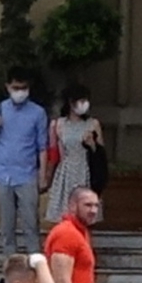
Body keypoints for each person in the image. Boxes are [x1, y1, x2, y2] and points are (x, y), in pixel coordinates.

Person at [0, 74, 51, 257]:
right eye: (16, 87)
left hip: (27, 174)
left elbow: (42, 147)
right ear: (8, 87)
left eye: (23, 87)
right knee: (6, 225)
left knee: (31, 223)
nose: (20, 92)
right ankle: (10, 265)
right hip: (2, 173)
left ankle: (35, 264)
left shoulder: (37, 112)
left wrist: (42, 176)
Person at [46, 87, 101, 225]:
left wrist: (92, 144)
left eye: (86, 100)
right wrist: (47, 177)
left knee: (85, 213)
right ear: (71, 103)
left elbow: (101, 154)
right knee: (65, 216)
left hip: (85, 170)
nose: (85, 104)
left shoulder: (93, 124)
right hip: (66, 172)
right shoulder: (58, 124)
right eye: (81, 100)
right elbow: (54, 153)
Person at [44, 186, 101, 283]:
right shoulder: (66, 233)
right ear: (73, 206)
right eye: (88, 205)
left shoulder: (80, 232)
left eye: (96, 205)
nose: (93, 211)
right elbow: (62, 281)